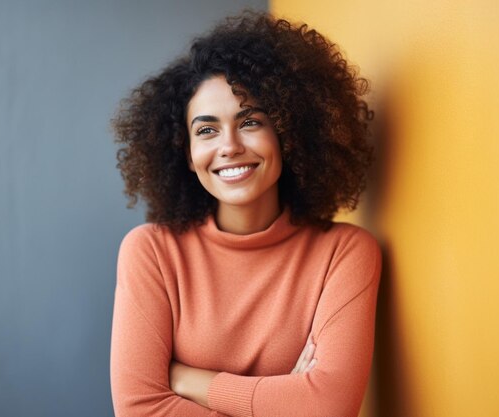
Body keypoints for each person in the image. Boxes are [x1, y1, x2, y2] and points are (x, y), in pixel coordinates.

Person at [110, 11, 381, 417]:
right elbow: (140, 409)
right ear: (186, 153)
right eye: (206, 130)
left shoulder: (344, 253)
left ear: (287, 134)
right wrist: (285, 398)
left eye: (250, 121)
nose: (229, 146)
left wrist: (186, 380)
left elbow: (329, 407)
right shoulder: (152, 252)